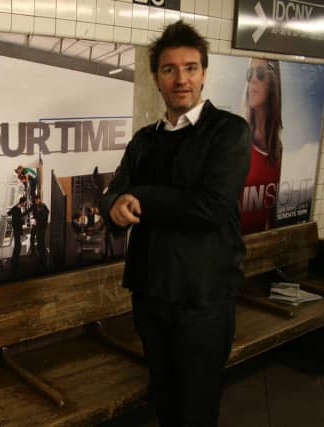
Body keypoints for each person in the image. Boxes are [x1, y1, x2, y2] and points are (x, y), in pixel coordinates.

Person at [99, 21, 251, 427]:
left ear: (203, 73)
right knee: (164, 401)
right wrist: (114, 205)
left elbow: (211, 208)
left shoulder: (229, 132)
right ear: (156, 78)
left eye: (190, 68)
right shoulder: (144, 140)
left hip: (202, 299)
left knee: (196, 409)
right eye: (169, 69)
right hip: (150, 294)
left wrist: (140, 196)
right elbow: (113, 191)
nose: (180, 79)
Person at [240, 58, 283, 234]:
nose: (253, 81)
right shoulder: (238, 137)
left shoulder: (278, 148)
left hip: (259, 246)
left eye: (260, 74)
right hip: (230, 246)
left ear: (273, 84)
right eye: (250, 74)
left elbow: (271, 212)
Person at [8, 196, 28, 270]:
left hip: (17, 229)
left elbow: (9, 213)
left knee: (17, 246)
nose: (25, 204)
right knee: (18, 246)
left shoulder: (16, 208)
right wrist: (22, 220)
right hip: (17, 230)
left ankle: (15, 261)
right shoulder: (17, 209)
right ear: (22, 202)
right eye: (25, 203)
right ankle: (14, 262)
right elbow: (18, 220)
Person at [31, 196, 49, 265]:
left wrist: (38, 220)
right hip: (38, 226)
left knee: (41, 240)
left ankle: (43, 255)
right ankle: (40, 254)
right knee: (39, 240)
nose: (37, 201)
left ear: (39, 200)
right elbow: (35, 216)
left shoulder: (43, 206)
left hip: (42, 226)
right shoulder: (36, 207)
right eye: (36, 200)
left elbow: (45, 215)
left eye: (37, 200)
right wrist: (34, 222)